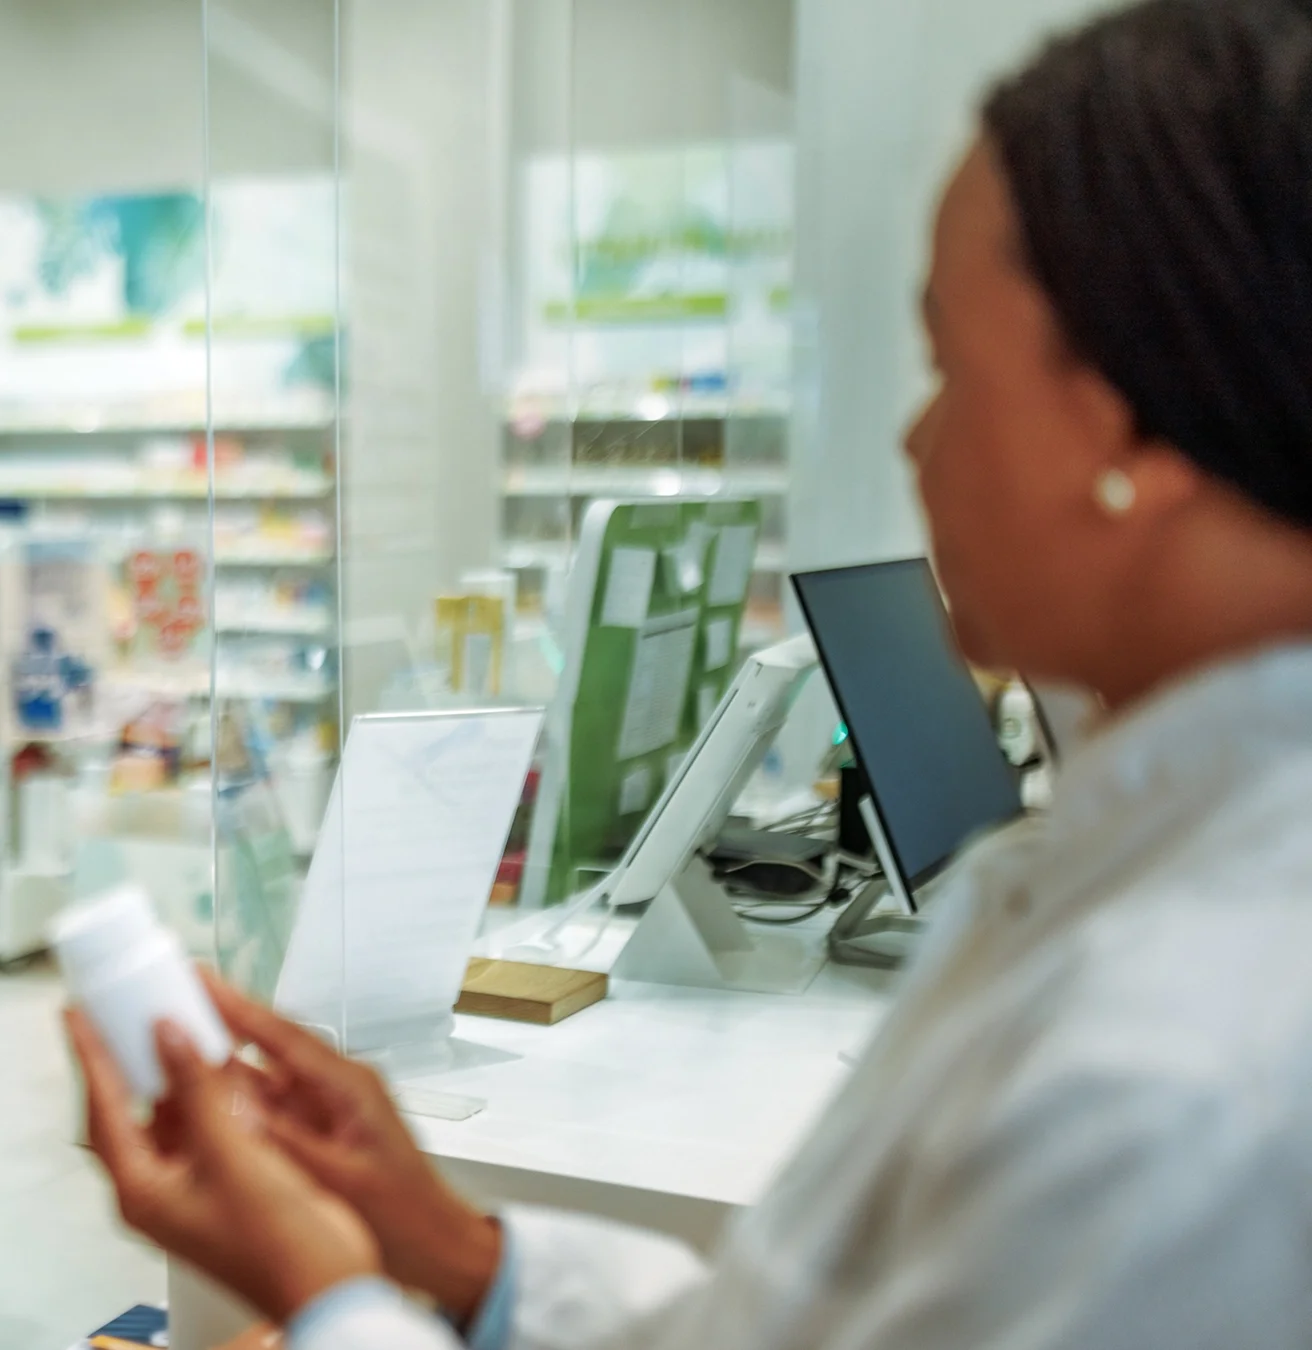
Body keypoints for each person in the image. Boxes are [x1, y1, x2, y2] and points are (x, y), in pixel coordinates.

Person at [71, 1, 1312, 1346]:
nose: (915, 438)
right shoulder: (1149, 876)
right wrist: (456, 1246)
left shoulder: (1189, 1079)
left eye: (952, 366)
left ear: (1120, 422)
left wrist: (326, 1293)